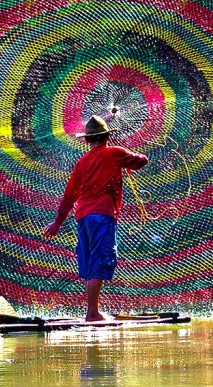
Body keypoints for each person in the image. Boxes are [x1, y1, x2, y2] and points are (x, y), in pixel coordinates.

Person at [44, 114, 148, 321]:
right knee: (100, 259)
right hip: (102, 215)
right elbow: (142, 161)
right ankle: (92, 313)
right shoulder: (115, 153)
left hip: (83, 218)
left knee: (91, 261)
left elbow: (69, 197)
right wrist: (129, 154)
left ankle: (93, 310)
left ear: (87, 140)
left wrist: (57, 223)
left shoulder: (81, 163)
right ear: (107, 137)